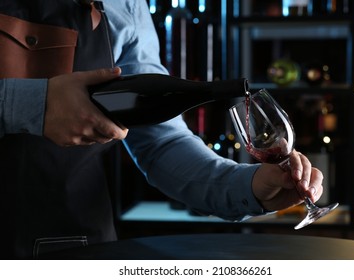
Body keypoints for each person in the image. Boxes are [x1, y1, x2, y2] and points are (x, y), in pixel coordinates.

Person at [0, 0, 324, 259]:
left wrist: (250, 187)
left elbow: (161, 144)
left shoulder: (123, 5)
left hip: (77, 247)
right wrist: (32, 105)